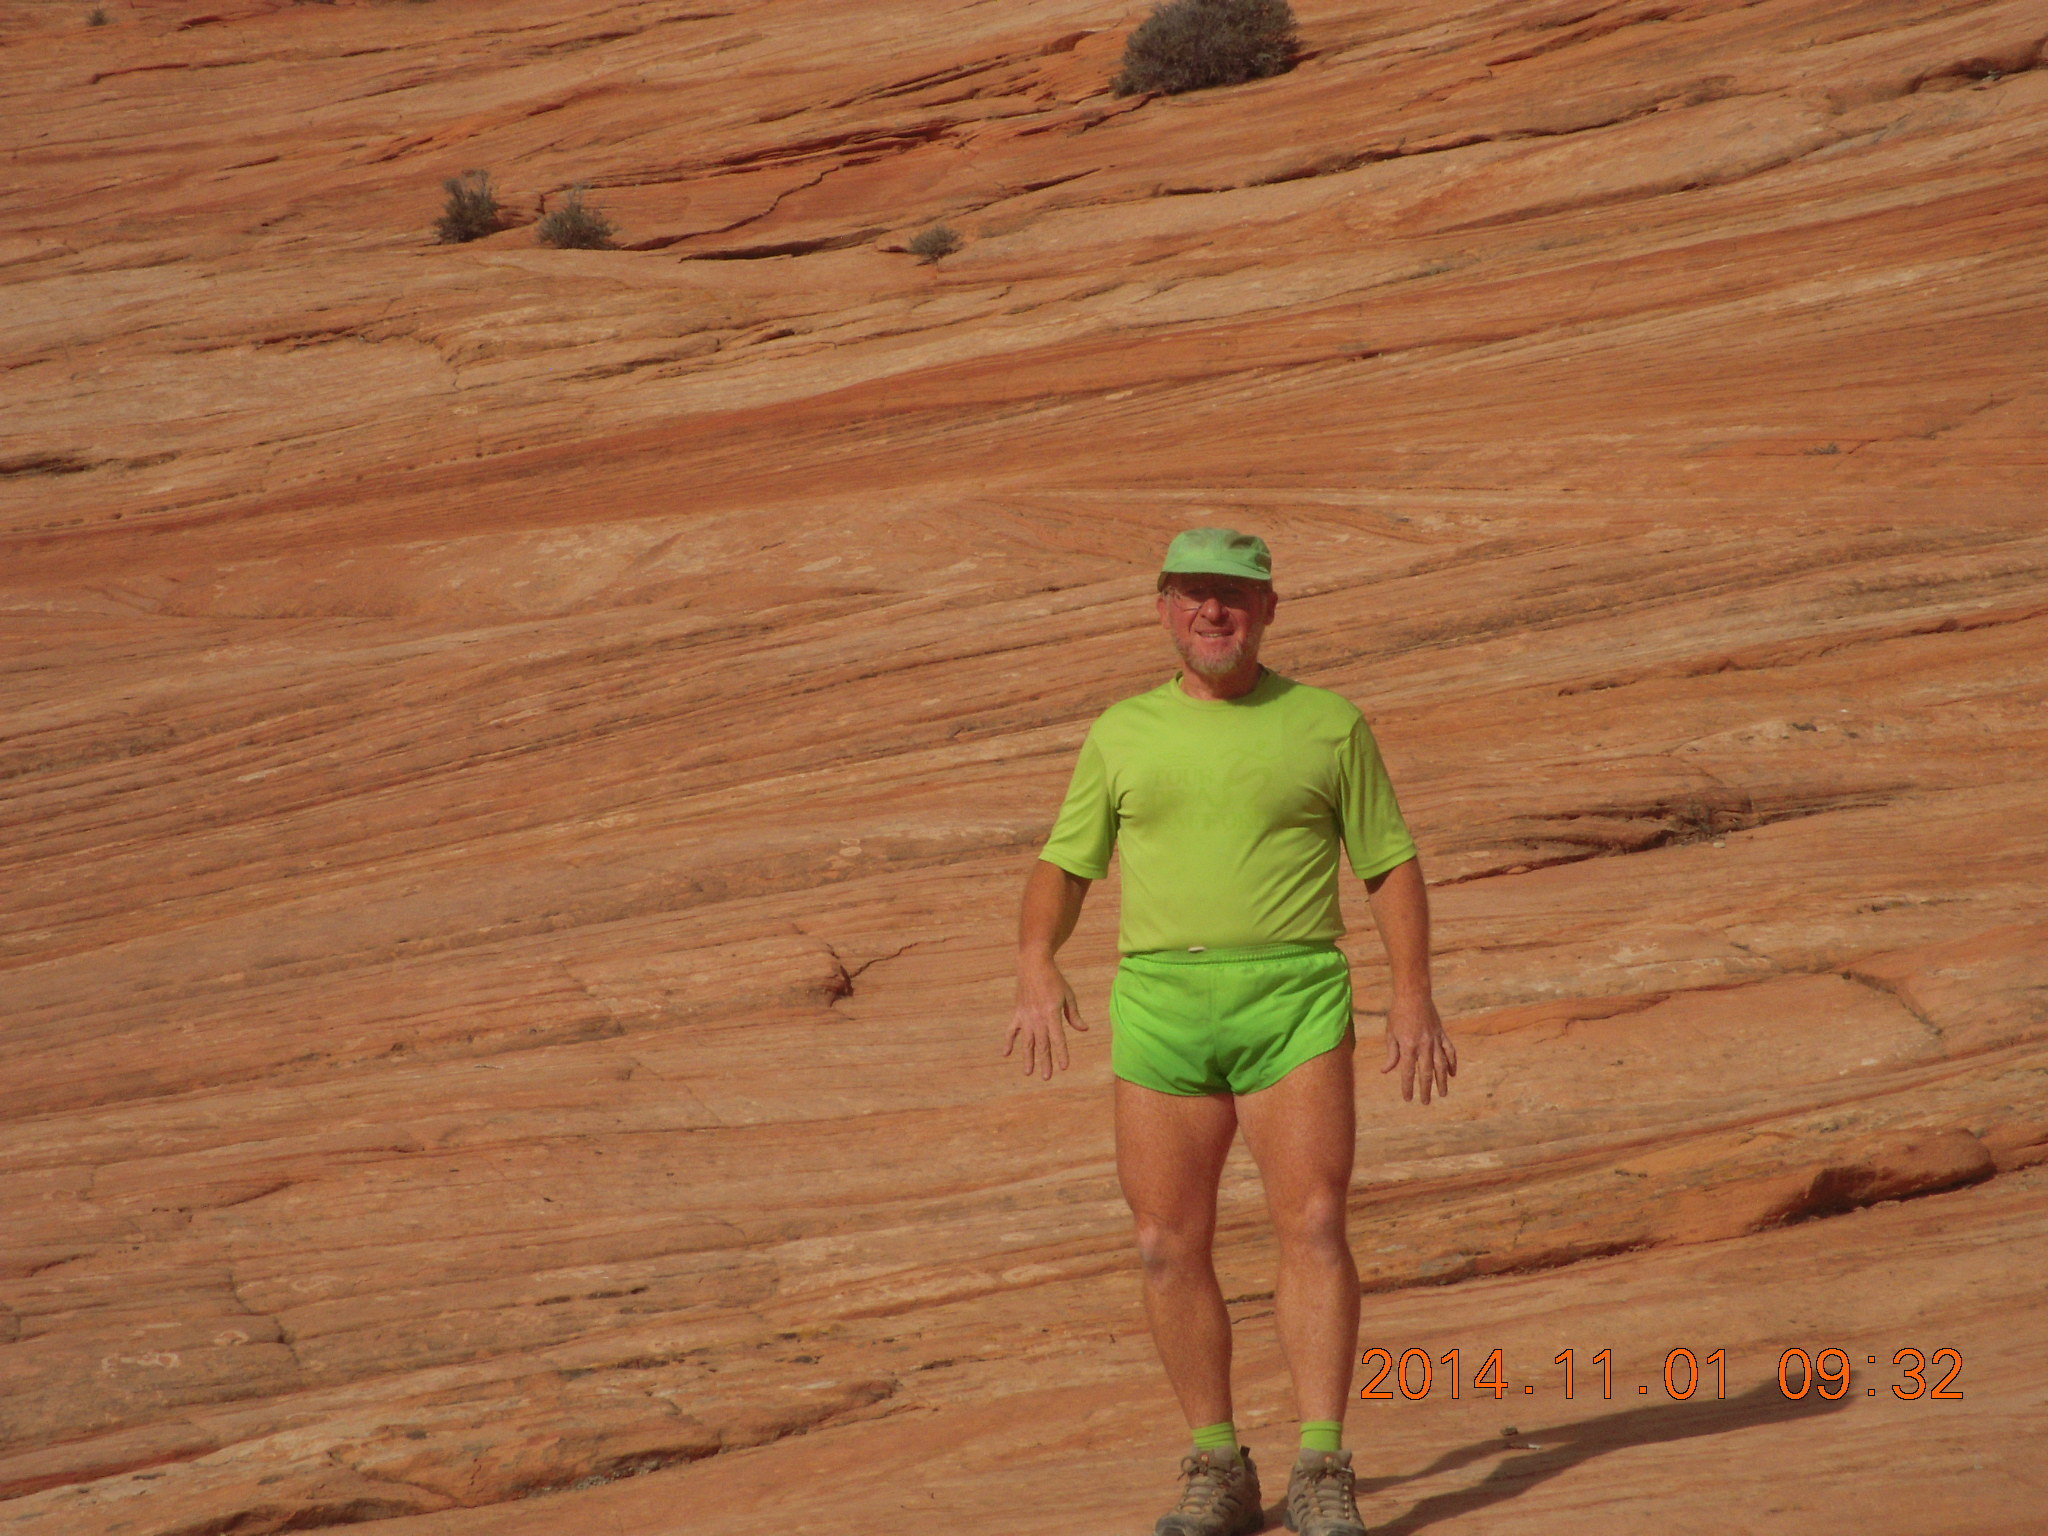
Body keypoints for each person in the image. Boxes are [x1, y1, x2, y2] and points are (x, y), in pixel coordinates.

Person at [1005, 528, 1456, 1536]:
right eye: (1194, 593)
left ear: (1268, 609)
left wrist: (1413, 993)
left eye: (1235, 594)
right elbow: (1064, 865)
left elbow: (1387, 863)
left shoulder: (1328, 725)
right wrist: (1036, 959)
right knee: (1164, 1244)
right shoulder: (1122, 731)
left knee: (1315, 1225)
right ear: (1164, 607)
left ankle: (1321, 1466)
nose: (1213, 611)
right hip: (1160, 1004)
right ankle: (1217, 1466)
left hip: (1292, 997)